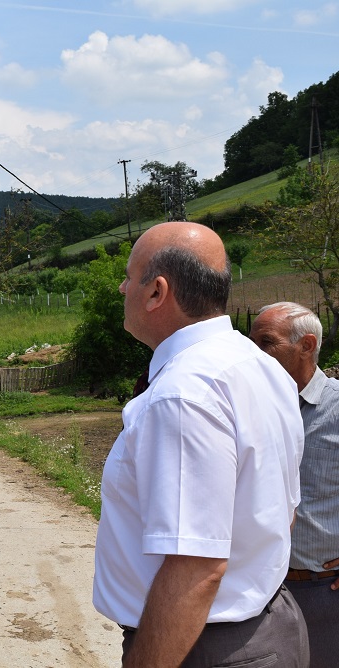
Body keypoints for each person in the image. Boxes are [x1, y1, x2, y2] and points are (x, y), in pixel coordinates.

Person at [92, 222, 308, 667]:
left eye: (129, 277)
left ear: (156, 292)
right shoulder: (258, 366)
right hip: (270, 625)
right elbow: (280, 515)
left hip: (204, 647)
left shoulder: (183, 393)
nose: (121, 287)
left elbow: (196, 567)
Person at [250, 301, 339, 668]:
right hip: (258, 590)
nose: (254, 352)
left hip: (322, 591)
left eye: (266, 342)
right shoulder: (252, 408)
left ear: (306, 345)